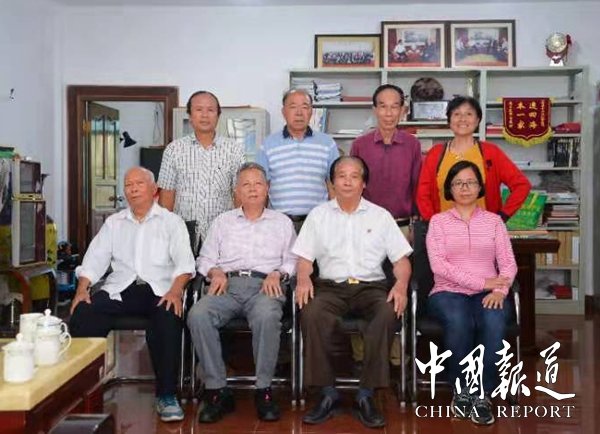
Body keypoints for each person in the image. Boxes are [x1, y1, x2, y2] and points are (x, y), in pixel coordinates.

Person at [69, 166, 196, 422]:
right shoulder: (114, 223)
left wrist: (175, 291)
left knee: (168, 316)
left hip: (159, 289)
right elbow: (94, 259)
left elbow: (185, 264)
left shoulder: (172, 222)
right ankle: (82, 392)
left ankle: (167, 395)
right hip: (121, 289)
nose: (133, 189)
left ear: (154, 189)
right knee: (84, 313)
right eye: (128, 185)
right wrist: (82, 289)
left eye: (139, 183)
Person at [294, 156, 412, 429]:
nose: (347, 181)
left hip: (371, 287)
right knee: (311, 313)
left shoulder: (380, 216)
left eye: (354, 176)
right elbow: (304, 258)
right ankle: (327, 392)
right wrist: (302, 278)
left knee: (387, 312)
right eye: (341, 176)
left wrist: (401, 285)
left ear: (364, 183)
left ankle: (366, 394)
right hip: (330, 288)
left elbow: (401, 260)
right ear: (332, 182)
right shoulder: (318, 215)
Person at [187, 162, 297, 424]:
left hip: (265, 286)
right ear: (236, 191)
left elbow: (293, 259)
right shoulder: (222, 222)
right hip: (226, 285)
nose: (252, 189)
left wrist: (279, 273)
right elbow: (204, 258)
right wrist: (215, 271)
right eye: (246, 184)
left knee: (267, 316)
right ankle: (217, 390)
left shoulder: (282, 222)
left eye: (258, 184)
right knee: (198, 315)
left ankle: (264, 390)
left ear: (268, 188)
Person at [426, 160, 517, 426]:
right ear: (449, 189)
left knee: (494, 319)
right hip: (447, 291)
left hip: (489, 292)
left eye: (470, 182)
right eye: (458, 183)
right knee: (459, 321)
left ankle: (483, 393)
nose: (465, 188)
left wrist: (499, 289)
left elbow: (508, 263)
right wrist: (483, 282)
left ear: (480, 187)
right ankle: (461, 390)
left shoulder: (494, 222)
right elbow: (439, 266)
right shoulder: (438, 222)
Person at [350, 83, 421, 369]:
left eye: (395, 107)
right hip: (364, 228)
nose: (389, 113)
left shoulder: (412, 145)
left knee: (397, 290)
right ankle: (361, 355)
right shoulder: (360, 144)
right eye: (383, 106)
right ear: (374, 109)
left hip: (401, 229)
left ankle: (395, 355)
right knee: (362, 288)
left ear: (403, 110)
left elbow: (417, 187)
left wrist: (415, 224)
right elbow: (352, 188)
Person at [416, 95, 531, 222]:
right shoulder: (435, 153)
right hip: (445, 229)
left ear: (477, 121)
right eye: (457, 114)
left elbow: (521, 185)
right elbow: (422, 194)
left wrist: (503, 215)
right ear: (449, 120)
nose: (462, 119)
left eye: (469, 114)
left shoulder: (491, 152)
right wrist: (432, 221)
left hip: (483, 229)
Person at [158, 90, 245, 247]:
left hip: (223, 233)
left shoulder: (234, 150)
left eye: (210, 110)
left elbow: (239, 194)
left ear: (218, 115)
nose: (205, 115)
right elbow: (167, 197)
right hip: (182, 233)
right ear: (190, 116)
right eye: (199, 109)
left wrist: (240, 230)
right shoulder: (173, 150)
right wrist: (164, 234)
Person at [256, 89, 339, 232]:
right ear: (283, 112)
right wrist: (259, 223)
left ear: (311, 112)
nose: (299, 113)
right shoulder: (267, 145)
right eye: (293, 107)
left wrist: (336, 219)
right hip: (278, 223)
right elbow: (262, 187)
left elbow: (334, 185)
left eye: (305, 107)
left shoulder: (327, 143)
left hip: (317, 222)